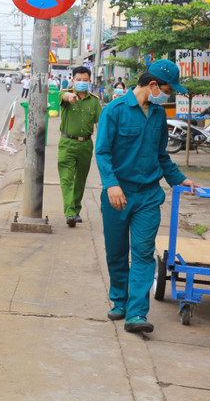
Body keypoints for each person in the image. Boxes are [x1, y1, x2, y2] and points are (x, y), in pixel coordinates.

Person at [95, 60, 197, 334]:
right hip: (117, 195)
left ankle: (137, 313)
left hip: (149, 196)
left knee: (142, 253)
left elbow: (162, 155)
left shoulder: (159, 115)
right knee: (117, 252)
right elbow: (102, 152)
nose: (168, 94)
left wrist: (179, 179)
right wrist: (111, 185)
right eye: (166, 89)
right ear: (153, 85)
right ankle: (119, 300)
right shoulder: (114, 111)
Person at [58, 66, 102, 227]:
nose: (82, 82)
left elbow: (100, 124)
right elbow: (63, 96)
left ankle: (75, 209)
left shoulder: (94, 101)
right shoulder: (66, 94)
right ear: (73, 80)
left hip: (86, 145)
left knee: (80, 180)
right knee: (67, 178)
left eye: (85, 80)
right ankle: (70, 212)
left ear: (90, 81)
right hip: (67, 143)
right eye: (78, 80)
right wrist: (70, 97)